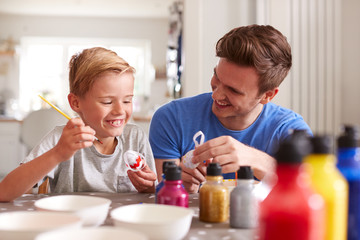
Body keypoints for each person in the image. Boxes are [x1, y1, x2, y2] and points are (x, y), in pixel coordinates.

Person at [149, 24, 312, 193]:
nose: (216, 95)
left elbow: (312, 189)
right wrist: (178, 185)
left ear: (267, 95)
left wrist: (254, 160)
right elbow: (165, 198)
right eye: (217, 77)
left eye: (234, 90)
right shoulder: (171, 118)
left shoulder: (290, 131)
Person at [0, 47, 157, 202]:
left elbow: (153, 192)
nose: (120, 110)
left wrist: (150, 187)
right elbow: (5, 192)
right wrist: (57, 154)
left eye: (127, 100)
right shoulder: (61, 139)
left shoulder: (135, 137)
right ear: (75, 102)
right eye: (107, 102)